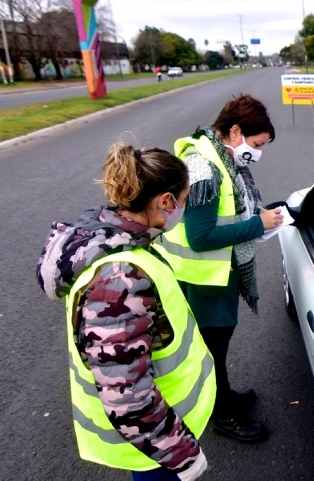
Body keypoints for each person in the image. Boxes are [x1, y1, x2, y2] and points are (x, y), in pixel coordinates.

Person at [37, 142, 214, 481]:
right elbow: (128, 398)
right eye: (185, 199)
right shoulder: (119, 280)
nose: (185, 207)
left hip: (160, 433)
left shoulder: (126, 239)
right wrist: (181, 455)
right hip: (154, 452)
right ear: (166, 201)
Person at [154, 94, 282, 443]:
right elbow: (201, 236)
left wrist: (256, 219)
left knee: (216, 344)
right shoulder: (203, 167)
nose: (258, 153)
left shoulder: (218, 155)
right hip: (200, 276)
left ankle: (221, 393)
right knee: (210, 346)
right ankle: (221, 412)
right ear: (235, 131)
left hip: (214, 273)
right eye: (257, 144)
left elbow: (225, 214)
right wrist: (259, 225)